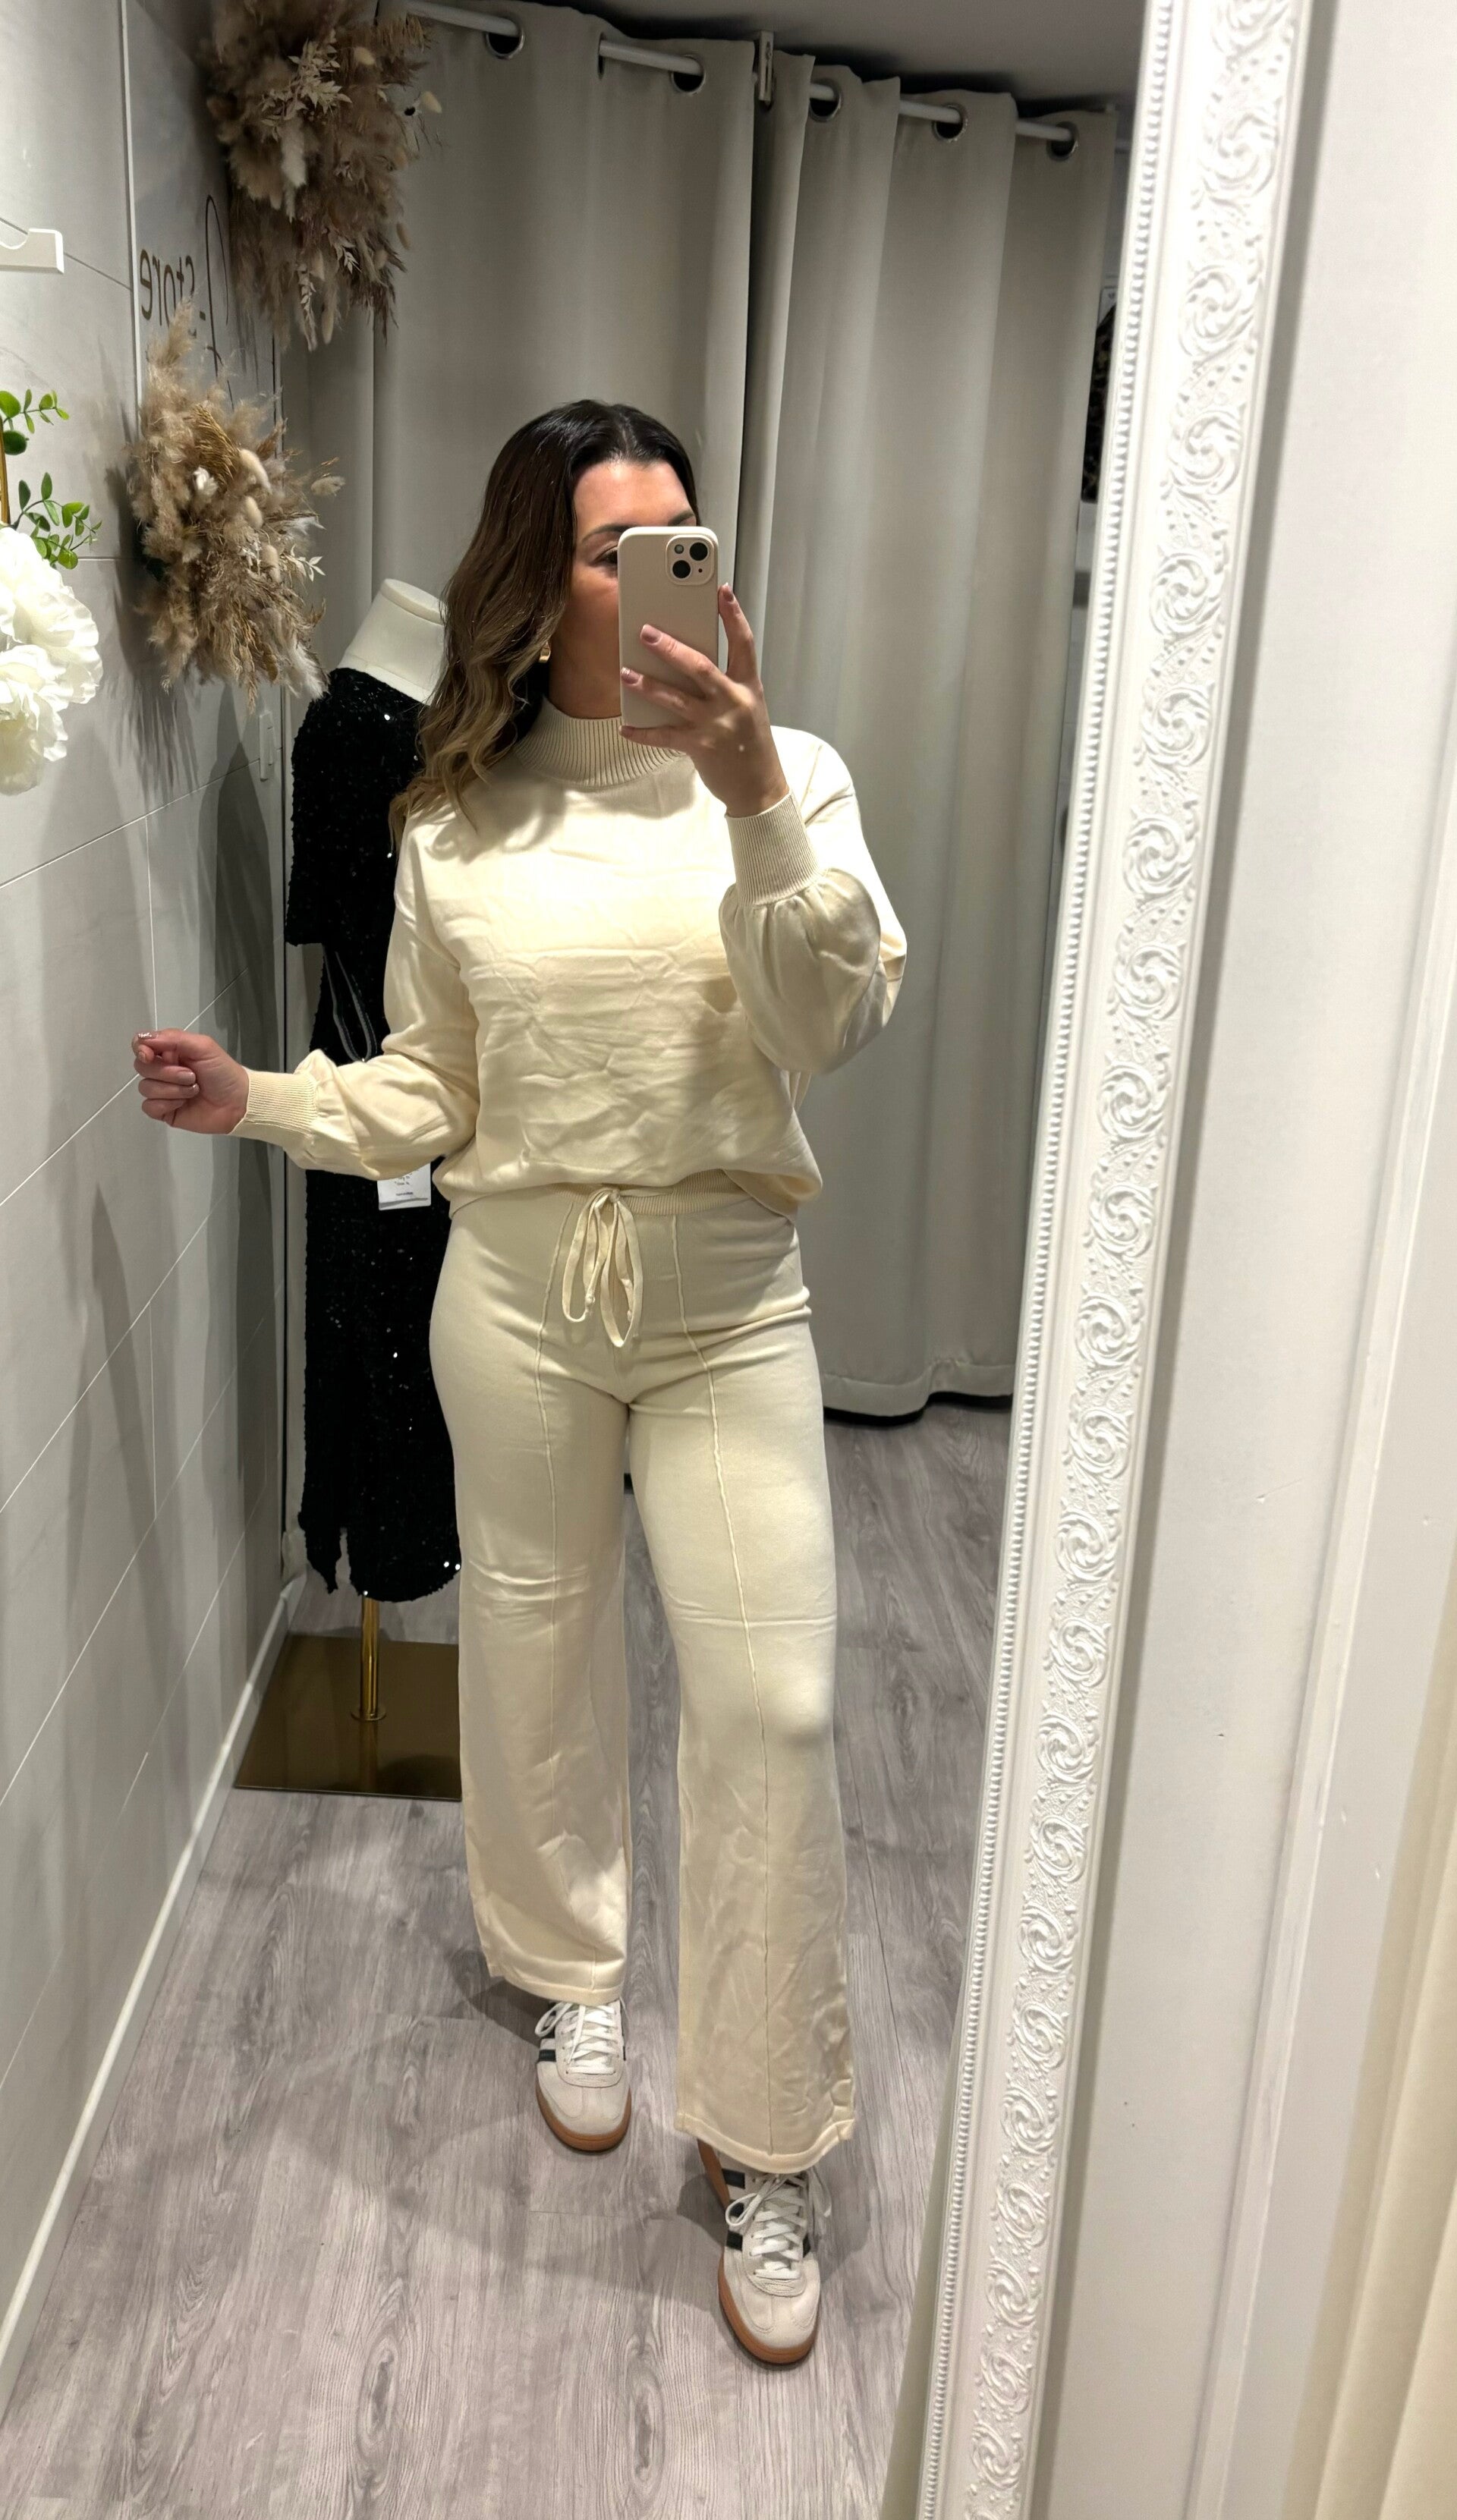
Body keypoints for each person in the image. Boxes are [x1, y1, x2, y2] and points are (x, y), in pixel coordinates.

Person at [131, 400, 906, 2367]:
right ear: (533, 580)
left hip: (727, 1303)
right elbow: (435, 1090)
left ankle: (766, 2138)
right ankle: (572, 1970)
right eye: (609, 548)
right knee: (540, 1654)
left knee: (777, 1706)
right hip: (523, 1299)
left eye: (680, 537)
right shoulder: (455, 820)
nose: (658, 578)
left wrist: (749, 790)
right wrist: (260, 1099)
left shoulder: (791, 773)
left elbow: (829, 1020)